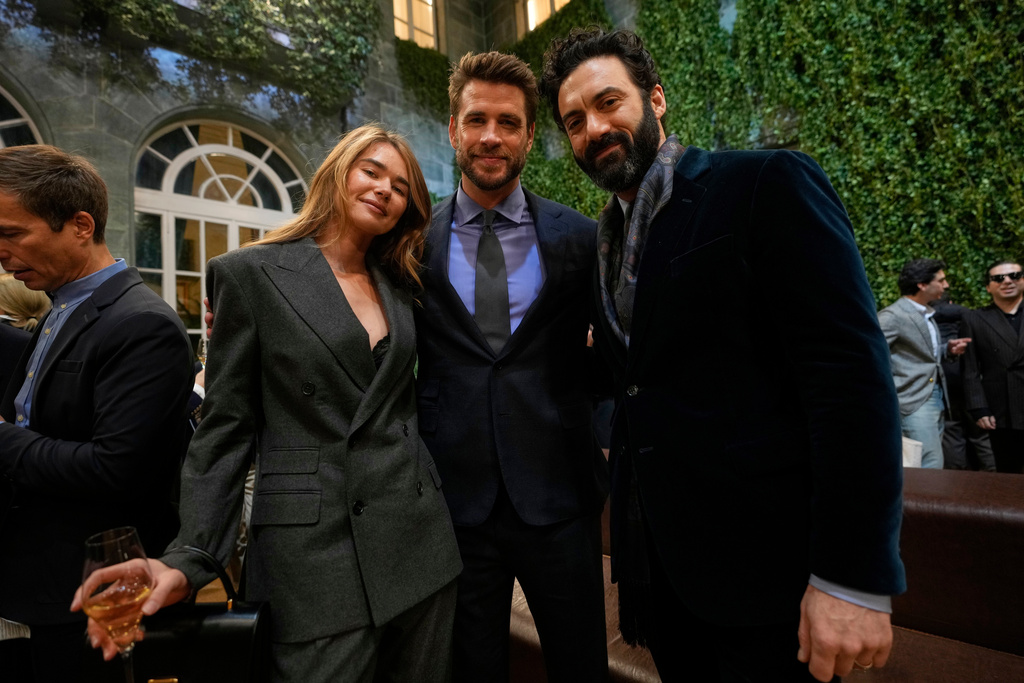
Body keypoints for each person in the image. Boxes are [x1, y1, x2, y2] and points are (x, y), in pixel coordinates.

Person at [541, 28, 906, 682]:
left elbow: (849, 383)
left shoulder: (762, 185)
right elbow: (645, 380)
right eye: (575, 120)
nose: (594, 128)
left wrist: (853, 577)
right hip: (665, 579)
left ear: (656, 99)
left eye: (608, 102)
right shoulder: (604, 245)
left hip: (774, 579)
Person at [76, 124, 463, 683]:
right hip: (315, 558)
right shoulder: (251, 275)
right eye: (371, 171)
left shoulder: (401, 284)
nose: (385, 190)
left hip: (421, 544)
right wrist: (191, 555)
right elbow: (226, 427)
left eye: (401, 187)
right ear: (336, 173)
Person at [414, 52, 609, 682]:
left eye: (508, 122)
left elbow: (611, 357)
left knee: (580, 663)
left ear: (529, 134)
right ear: (453, 129)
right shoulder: (413, 243)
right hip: (455, 500)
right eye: (476, 120)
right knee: (472, 669)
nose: (490, 136)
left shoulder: (582, 237)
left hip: (560, 499)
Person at [0, 144, 192, 681]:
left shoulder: (141, 324)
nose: (1, 252)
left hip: (90, 593)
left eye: (12, 234)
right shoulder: (61, 307)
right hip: (39, 584)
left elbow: (117, 470)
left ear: (80, 224)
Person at [878, 259, 971, 469]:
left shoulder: (926, 313)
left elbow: (922, 353)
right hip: (913, 399)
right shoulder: (894, 315)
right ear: (922, 284)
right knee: (928, 463)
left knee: (930, 460)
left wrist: (947, 349)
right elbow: (870, 353)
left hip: (934, 396)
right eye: (941, 280)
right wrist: (892, 389)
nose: (945, 286)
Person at [961, 260, 1024, 473]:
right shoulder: (975, 318)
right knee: (1009, 472)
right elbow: (969, 369)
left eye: (1014, 275)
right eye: (998, 278)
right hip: (1002, 407)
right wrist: (979, 408)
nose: (1007, 281)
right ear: (989, 287)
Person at [929, 293, 996, 471]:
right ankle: (995, 477)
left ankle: (959, 481)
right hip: (970, 381)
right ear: (951, 301)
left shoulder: (926, 318)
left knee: (952, 432)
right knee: (981, 434)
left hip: (943, 381)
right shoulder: (970, 315)